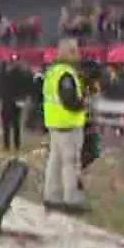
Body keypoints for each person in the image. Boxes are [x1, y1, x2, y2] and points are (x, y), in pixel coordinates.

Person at [42, 37, 90, 214]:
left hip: (55, 123)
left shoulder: (52, 72)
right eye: (76, 50)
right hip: (68, 123)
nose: (79, 54)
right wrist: (84, 103)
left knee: (55, 162)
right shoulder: (66, 74)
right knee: (71, 163)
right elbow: (69, 99)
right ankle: (72, 199)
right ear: (69, 52)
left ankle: (52, 196)